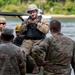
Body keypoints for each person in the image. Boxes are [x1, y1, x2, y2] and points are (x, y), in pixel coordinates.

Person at [19, 4, 49, 73]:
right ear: (29, 13)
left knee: (35, 51)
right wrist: (25, 26)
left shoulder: (42, 20)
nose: (32, 14)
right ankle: (26, 69)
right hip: (28, 41)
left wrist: (38, 24)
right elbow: (20, 32)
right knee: (22, 53)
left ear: (36, 12)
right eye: (30, 12)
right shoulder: (26, 21)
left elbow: (46, 31)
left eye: (33, 12)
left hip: (39, 40)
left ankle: (37, 67)